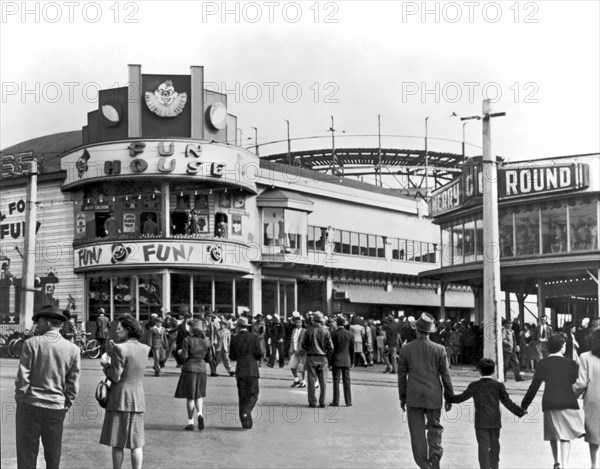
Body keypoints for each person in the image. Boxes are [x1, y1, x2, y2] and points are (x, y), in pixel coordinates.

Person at [15, 305, 81, 469]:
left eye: (39, 322)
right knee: (53, 454)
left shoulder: (31, 344)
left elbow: (23, 378)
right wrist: (66, 403)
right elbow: (73, 384)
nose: (37, 325)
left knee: (27, 454)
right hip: (56, 407)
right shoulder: (73, 349)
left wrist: (20, 399)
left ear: (47, 322)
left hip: (30, 404)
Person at [398, 312, 454, 469]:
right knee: (435, 428)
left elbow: (401, 377)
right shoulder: (440, 349)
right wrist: (449, 397)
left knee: (417, 434)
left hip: (413, 396)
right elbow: (446, 376)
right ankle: (435, 456)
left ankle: (424, 465)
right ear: (431, 332)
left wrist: (403, 397)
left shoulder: (406, 349)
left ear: (416, 330)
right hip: (433, 396)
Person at [521, 333, 585, 469]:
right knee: (565, 436)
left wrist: (524, 405)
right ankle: (565, 465)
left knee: (553, 434)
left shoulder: (542, 363)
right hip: (568, 401)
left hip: (550, 401)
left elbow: (534, 386)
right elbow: (576, 383)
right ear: (562, 347)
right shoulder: (571, 364)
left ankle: (556, 462)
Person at [448, 358, 526, 469]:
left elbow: (461, 398)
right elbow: (507, 402)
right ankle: (494, 466)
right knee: (495, 446)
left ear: (479, 370)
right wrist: (520, 411)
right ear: (494, 371)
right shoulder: (498, 386)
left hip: (481, 422)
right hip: (495, 422)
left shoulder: (474, 385)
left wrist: (448, 398)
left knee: (483, 447)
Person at [100, 316, 150, 469]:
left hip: (119, 398)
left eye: (119, 328)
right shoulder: (145, 348)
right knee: (136, 443)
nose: (116, 330)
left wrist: (105, 365)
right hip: (137, 398)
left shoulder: (119, 349)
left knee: (117, 442)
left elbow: (115, 376)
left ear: (128, 330)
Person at [174, 319, 210, 431]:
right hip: (202, 368)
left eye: (189, 327)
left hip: (189, 369)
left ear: (193, 328)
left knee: (190, 397)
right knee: (198, 395)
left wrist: (179, 352)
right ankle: (200, 414)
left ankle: (190, 422)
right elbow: (209, 358)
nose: (188, 328)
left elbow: (184, 356)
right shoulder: (207, 340)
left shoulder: (187, 339)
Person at [572, 328, 600, 469]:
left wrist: (572, 395)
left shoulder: (585, 357)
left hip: (594, 400)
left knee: (594, 435)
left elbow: (582, 382)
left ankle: (594, 464)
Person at [229, 316, 263, 429]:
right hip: (252, 369)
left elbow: (232, 356)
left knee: (242, 396)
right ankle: (246, 411)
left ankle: (246, 423)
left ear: (238, 327)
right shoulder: (254, 337)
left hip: (241, 370)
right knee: (253, 394)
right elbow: (259, 353)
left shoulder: (234, 338)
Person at [301, 311, 334, 408]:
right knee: (323, 381)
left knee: (311, 380)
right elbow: (331, 347)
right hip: (323, 358)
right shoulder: (326, 331)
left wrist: (309, 349)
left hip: (311, 357)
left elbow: (303, 345)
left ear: (313, 320)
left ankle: (312, 402)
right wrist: (327, 358)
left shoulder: (308, 330)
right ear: (321, 320)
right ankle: (322, 402)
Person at [329, 315, 354, 407]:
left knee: (336, 381)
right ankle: (348, 401)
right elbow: (352, 350)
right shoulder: (350, 334)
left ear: (337, 323)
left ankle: (336, 401)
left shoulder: (333, 333)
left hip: (335, 360)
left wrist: (330, 361)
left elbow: (331, 349)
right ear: (345, 323)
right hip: (347, 360)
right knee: (347, 381)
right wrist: (352, 361)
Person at [289, 316, 307, 388]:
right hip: (294, 350)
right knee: (292, 366)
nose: (298, 324)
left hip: (301, 351)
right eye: (297, 322)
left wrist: (303, 349)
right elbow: (292, 340)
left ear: (302, 323)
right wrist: (291, 349)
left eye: (299, 322)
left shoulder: (304, 330)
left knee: (301, 367)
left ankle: (303, 381)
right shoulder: (294, 330)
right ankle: (296, 380)